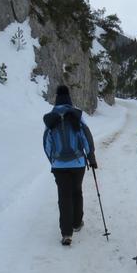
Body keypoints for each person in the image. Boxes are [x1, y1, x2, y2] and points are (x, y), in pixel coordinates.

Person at [43, 85, 97, 246]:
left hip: (59, 165)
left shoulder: (51, 119)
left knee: (64, 196)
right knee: (76, 191)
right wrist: (91, 156)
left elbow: (47, 143)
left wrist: (53, 161)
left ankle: (66, 233)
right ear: (69, 100)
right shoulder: (76, 116)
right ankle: (77, 222)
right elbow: (86, 137)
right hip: (78, 163)